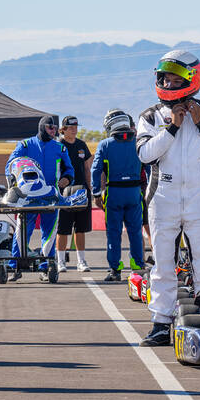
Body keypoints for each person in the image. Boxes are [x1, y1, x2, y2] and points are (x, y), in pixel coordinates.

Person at [136, 50, 200, 346]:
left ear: (192, 79)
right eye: (164, 77)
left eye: (174, 78)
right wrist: (173, 126)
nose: (167, 82)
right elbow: (145, 154)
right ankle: (160, 323)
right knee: (163, 264)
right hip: (162, 198)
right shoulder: (151, 116)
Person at [5, 115, 74, 279]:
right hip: (26, 198)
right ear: (42, 127)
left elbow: (69, 170)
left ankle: (46, 267)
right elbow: (10, 165)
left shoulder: (60, 148)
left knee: (49, 233)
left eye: (55, 128)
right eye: (50, 128)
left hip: (50, 197)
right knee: (22, 230)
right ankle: (15, 266)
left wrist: (67, 179)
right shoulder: (25, 145)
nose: (54, 131)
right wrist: (14, 184)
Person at [91, 109, 145, 282]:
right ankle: (138, 267)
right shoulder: (138, 141)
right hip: (135, 192)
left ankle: (115, 269)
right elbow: (150, 165)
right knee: (135, 232)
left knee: (113, 233)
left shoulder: (105, 144)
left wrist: (96, 193)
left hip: (114, 193)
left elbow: (95, 170)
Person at [56, 115, 93, 272]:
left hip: (81, 192)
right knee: (63, 229)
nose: (74, 130)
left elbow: (87, 168)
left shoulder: (81, 145)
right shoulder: (58, 146)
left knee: (80, 229)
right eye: (71, 128)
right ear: (63, 130)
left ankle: (81, 261)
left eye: (76, 127)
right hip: (64, 194)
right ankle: (60, 262)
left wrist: (90, 189)